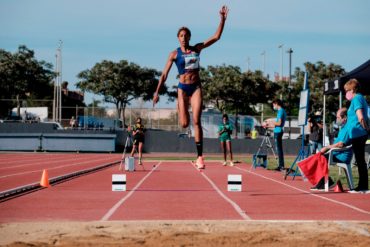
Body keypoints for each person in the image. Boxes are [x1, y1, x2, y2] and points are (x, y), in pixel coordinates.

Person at [153, 6, 229, 169]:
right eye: (181, 36)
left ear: (190, 37)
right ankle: (181, 106)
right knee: (185, 124)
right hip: (182, 89)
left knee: (196, 121)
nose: (184, 38)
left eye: (186, 35)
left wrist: (222, 20)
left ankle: (200, 157)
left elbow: (216, 37)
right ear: (178, 38)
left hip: (195, 88)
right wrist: (157, 92)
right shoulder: (174, 54)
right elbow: (164, 74)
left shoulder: (197, 49)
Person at [311, 108, 352, 190]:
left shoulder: (347, 128)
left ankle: (327, 182)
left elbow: (340, 144)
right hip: (337, 153)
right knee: (318, 157)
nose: (336, 120)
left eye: (338, 117)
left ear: (344, 118)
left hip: (341, 155)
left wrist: (327, 147)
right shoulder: (343, 128)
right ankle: (324, 181)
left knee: (321, 158)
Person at [344, 79, 369, 191]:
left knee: (360, 160)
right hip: (356, 134)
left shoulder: (357, 98)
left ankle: (363, 186)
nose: (346, 93)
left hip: (359, 133)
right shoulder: (357, 98)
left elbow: (361, 117)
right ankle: (362, 185)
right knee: (359, 160)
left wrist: (366, 129)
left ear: (353, 89)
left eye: (347, 90)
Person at [266, 99, 287, 171]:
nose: (273, 106)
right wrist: (268, 126)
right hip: (277, 131)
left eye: (273, 105)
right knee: (278, 149)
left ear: (276, 104)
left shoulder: (281, 111)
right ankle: (281, 165)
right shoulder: (280, 111)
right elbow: (277, 125)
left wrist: (270, 121)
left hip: (278, 132)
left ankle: (281, 166)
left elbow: (279, 123)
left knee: (278, 149)